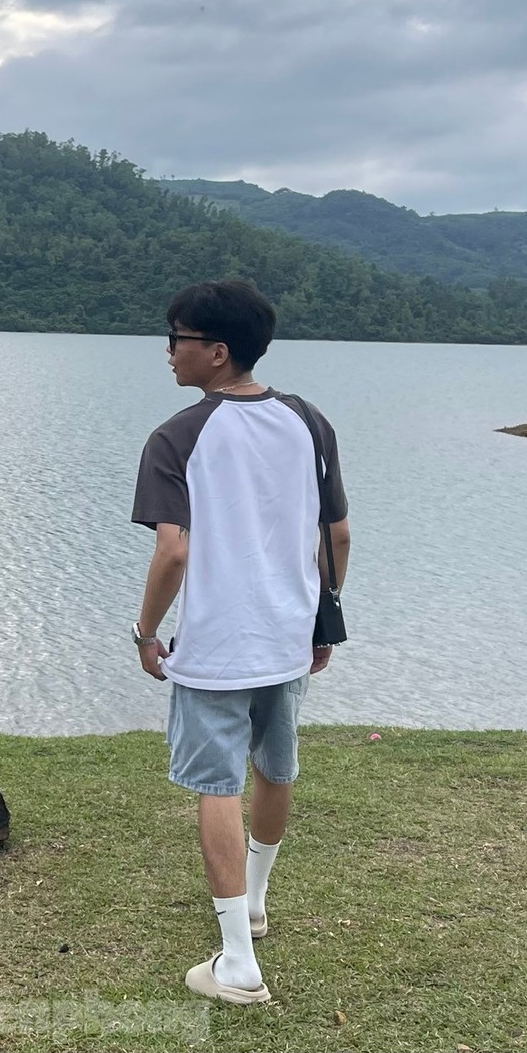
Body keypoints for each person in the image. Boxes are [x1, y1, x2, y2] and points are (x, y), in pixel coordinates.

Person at [130, 280, 350, 1006]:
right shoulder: (309, 422)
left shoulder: (178, 437)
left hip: (218, 647)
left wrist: (144, 632)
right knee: (275, 767)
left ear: (216, 353)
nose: (167, 352)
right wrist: (323, 616)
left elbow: (173, 552)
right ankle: (254, 902)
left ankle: (237, 963)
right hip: (289, 637)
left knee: (215, 785)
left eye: (178, 339)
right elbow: (337, 535)